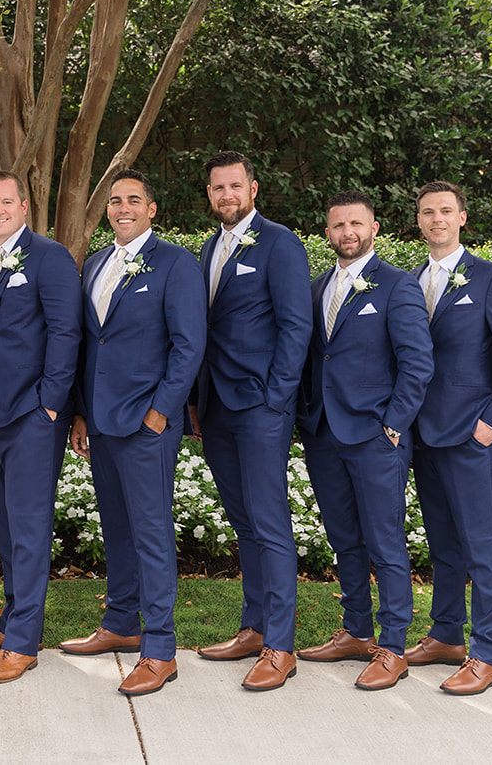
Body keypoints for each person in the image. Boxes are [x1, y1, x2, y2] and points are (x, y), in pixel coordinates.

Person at [62, 170, 205, 697]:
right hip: (100, 422)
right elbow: (87, 345)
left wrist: (161, 411)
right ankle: (121, 622)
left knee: (151, 532)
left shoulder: (175, 264)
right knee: (117, 527)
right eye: (115, 201)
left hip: (147, 423)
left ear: (152, 209)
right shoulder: (96, 263)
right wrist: (80, 412)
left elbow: (188, 345)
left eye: (134, 200)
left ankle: (160, 648)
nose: (123, 207)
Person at [297, 189, 433, 691]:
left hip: (377, 436)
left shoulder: (397, 286)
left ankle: (392, 644)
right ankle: (356, 630)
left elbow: (418, 363)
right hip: (324, 433)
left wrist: (393, 425)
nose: (346, 233)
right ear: (327, 232)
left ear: (373, 228)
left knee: (385, 540)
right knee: (344, 539)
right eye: (337, 225)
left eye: (356, 223)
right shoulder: (315, 288)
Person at [404, 182, 492, 695]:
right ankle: (445, 635)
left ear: (462, 218)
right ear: (418, 221)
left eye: (445, 211)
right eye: (427, 212)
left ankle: (486, 653)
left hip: (470, 434)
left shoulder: (490, 278)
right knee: (442, 543)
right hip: (423, 434)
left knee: (482, 546)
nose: (436, 219)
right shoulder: (411, 280)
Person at [190, 151, 313, 692]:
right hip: (215, 406)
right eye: (217, 188)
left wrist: (276, 398)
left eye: (234, 186)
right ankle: (254, 625)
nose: (226, 196)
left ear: (253, 188)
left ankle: (280, 645)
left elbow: (295, 327)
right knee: (244, 523)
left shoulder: (280, 243)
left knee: (269, 521)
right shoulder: (208, 248)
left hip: (260, 406)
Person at [0, 170, 81, 684]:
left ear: (25, 206)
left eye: (6, 202)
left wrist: (51, 404)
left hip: (35, 415)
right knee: (8, 526)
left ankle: (23, 643)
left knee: (30, 528)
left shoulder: (50, 257)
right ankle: (13, 615)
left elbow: (65, 331)